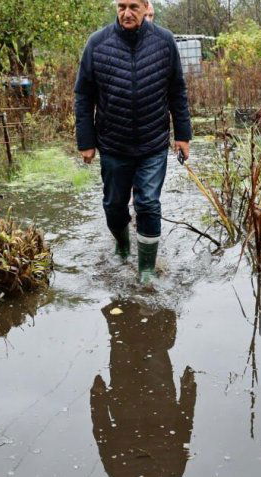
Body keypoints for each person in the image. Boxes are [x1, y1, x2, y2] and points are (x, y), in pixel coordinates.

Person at [74, 0, 192, 283]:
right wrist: (86, 141)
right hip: (113, 143)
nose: (127, 13)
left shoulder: (164, 42)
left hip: (153, 142)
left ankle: (147, 271)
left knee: (148, 204)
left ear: (146, 6)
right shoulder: (97, 43)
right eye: (122, 6)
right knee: (114, 205)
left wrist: (183, 135)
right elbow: (83, 95)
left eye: (134, 7)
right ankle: (122, 245)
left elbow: (177, 90)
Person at [91, 299, 196, 477]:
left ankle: (124, 298)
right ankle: (154, 297)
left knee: (122, 340)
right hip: (161, 394)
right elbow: (185, 425)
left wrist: (97, 397)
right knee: (155, 343)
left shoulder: (118, 472)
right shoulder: (173, 469)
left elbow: (102, 431)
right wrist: (188, 391)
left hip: (124, 397)